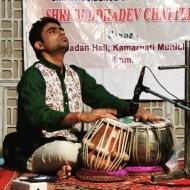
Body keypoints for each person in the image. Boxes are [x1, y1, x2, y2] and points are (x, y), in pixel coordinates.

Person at [2, 17, 159, 179]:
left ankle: (62, 168)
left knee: (116, 144)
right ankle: (65, 165)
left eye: (61, 29)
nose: (61, 32)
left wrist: (135, 110)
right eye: (52, 31)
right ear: (39, 45)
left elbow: (105, 99)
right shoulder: (33, 76)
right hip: (37, 147)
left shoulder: (76, 74)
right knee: (67, 151)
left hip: (74, 144)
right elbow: (38, 115)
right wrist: (80, 117)